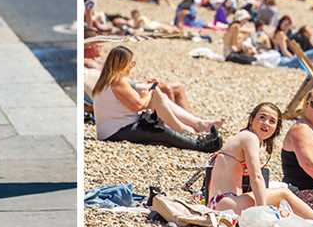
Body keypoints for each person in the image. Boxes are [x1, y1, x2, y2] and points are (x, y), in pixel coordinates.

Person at [91, 46, 220, 150]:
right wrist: (148, 93)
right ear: (123, 63)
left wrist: (150, 88)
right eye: (131, 63)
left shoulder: (107, 80)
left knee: (160, 127)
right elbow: (138, 105)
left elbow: (135, 94)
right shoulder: (117, 81)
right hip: (117, 132)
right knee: (161, 131)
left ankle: (189, 131)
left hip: (112, 130)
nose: (132, 66)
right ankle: (201, 145)